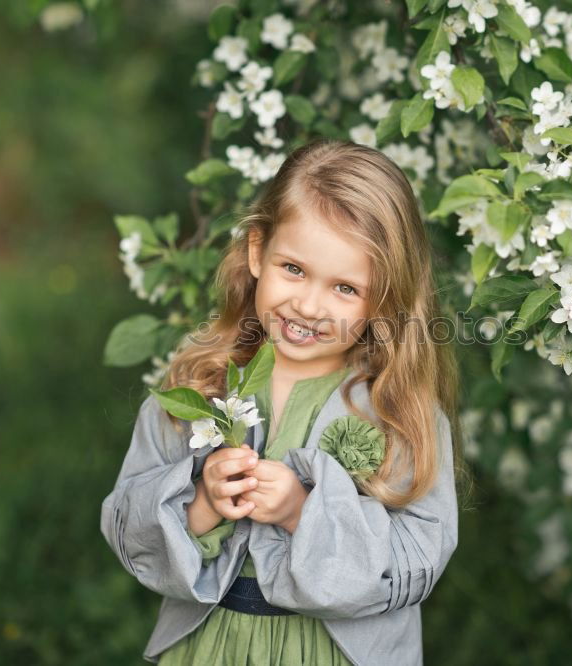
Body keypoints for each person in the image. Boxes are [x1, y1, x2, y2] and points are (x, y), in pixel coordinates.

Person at [100, 138, 468, 665]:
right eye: (293, 269)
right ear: (257, 251)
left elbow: (419, 558)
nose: (309, 304)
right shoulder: (201, 384)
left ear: (386, 295)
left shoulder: (396, 409)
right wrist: (201, 503)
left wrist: (304, 511)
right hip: (212, 646)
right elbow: (125, 521)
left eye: (345, 288)